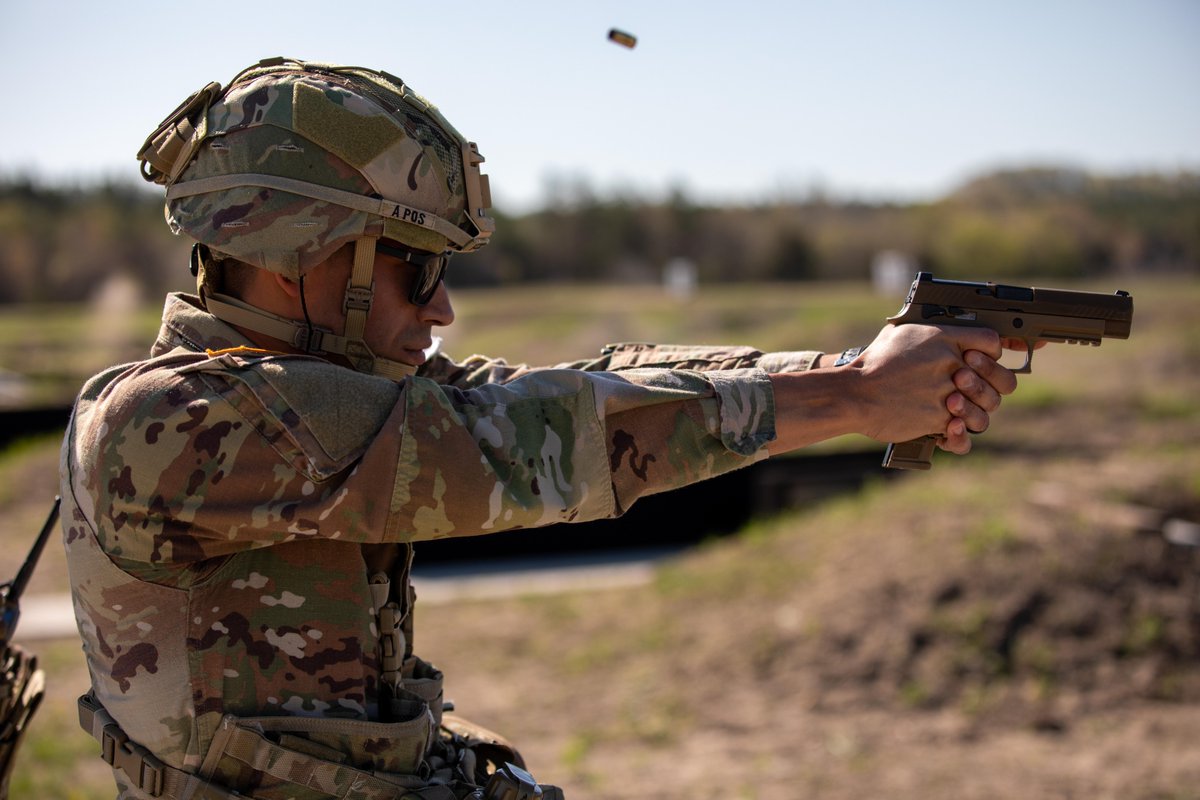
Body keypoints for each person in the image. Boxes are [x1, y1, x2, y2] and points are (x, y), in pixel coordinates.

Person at [61, 58, 1018, 800]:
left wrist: (853, 370)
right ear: (298, 254)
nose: (439, 311)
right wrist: (856, 397)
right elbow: (521, 443)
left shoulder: (312, 396)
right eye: (415, 268)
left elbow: (583, 386)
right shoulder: (172, 427)